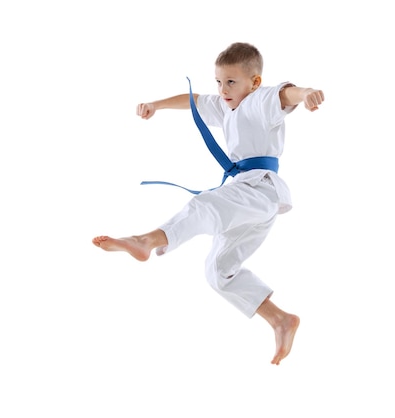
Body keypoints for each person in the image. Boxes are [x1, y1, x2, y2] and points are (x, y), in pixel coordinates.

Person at [92, 42, 324, 365]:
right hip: (248, 198)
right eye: (218, 81)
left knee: (204, 206)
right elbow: (193, 102)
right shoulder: (225, 105)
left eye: (231, 82)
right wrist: (155, 105)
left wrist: (308, 92)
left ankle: (146, 240)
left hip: (261, 189)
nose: (222, 89)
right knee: (218, 270)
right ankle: (281, 320)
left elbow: (288, 94)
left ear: (254, 82)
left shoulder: (259, 101)